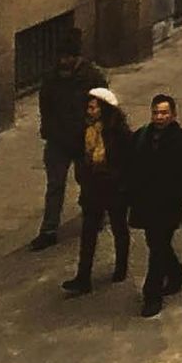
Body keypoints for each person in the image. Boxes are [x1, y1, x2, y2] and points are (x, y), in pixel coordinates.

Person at [129, 93, 182, 317]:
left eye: (163, 113)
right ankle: (176, 273)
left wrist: (178, 191)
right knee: (155, 242)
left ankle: (152, 294)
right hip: (146, 201)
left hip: (169, 203)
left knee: (158, 245)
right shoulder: (141, 137)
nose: (159, 117)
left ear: (173, 114)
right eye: (156, 113)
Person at [61, 85, 136, 294]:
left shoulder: (118, 132)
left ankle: (121, 266)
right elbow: (79, 155)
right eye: (88, 107)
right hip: (92, 188)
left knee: (119, 227)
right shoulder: (85, 129)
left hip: (114, 188)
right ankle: (83, 277)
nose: (89, 111)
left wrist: (121, 183)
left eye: (93, 108)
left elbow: (126, 161)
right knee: (88, 232)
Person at [25, 18, 86, 250]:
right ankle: (49, 229)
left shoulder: (91, 78)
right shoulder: (52, 79)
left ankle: (94, 214)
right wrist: (49, 132)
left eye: (69, 57)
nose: (64, 62)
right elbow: (46, 106)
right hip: (58, 141)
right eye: (62, 57)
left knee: (87, 182)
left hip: (82, 140)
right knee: (54, 186)